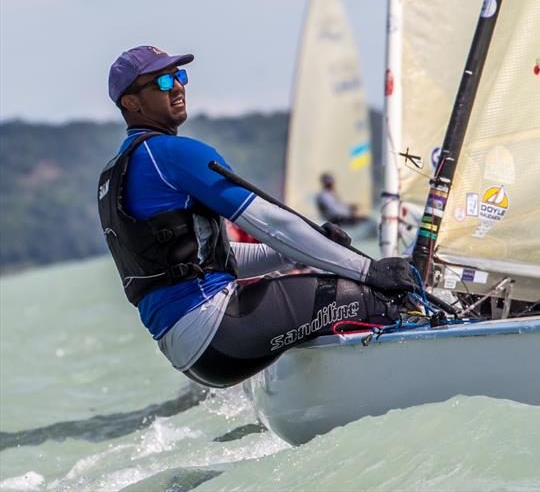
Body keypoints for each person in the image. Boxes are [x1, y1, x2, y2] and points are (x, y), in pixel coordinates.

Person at [98, 46, 417, 388]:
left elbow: (220, 260)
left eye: (179, 76)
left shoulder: (115, 173)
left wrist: (290, 254)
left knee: (332, 302)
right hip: (219, 328)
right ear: (131, 103)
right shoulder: (171, 155)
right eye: (162, 81)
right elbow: (273, 223)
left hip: (193, 352)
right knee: (387, 299)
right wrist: (370, 271)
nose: (176, 86)